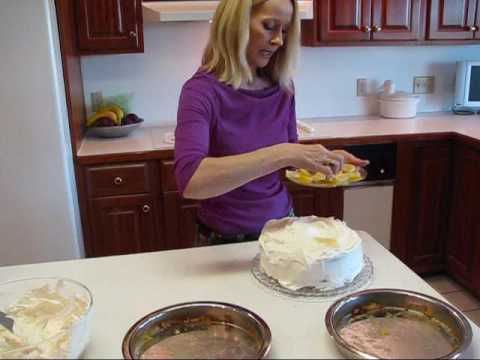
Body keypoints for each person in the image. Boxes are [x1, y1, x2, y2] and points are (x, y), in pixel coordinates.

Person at [174, 0, 368, 245]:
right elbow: (191, 181)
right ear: (236, 24)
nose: (279, 40)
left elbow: (289, 163)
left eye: (284, 31)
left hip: (283, 229)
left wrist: (322, 160)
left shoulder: (283, 88)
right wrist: (284, 153)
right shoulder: (200, 92)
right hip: (222, 240)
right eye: (269, 26)